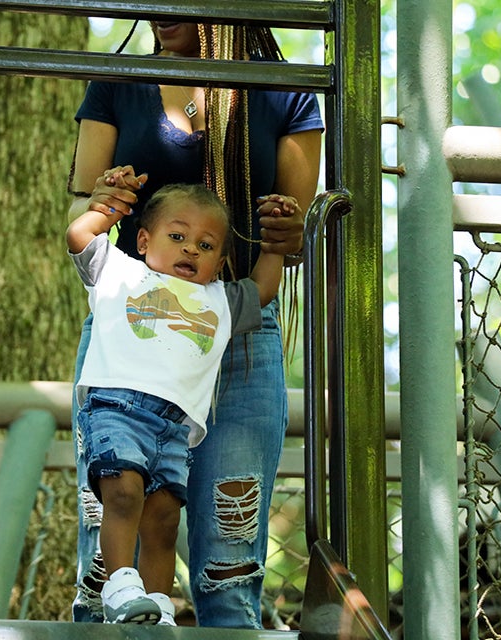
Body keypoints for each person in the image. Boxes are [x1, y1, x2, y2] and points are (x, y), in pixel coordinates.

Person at [66, 21, 322, 628]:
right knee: (108, 558)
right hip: (131, 347)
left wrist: (290, 232)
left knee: (230, 577)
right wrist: (103, 203)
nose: (160, 11)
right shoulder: (116, 81)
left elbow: (300, 235)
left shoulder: (286, 91)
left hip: (235, 334)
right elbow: (80, 209)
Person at [67, 178, 284, 625]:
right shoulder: (121, 272)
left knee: (164, 519)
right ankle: (120, 587)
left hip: (175, 429)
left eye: (205, 245)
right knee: (123, 492)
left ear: (220, 263)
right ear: (144, 240)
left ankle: (156, 606)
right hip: (116, 409)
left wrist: (276, 244)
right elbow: (79, 236)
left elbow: (262, 290)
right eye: (177, 236)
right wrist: (111, 208)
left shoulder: (219, 300)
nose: (190, 250)